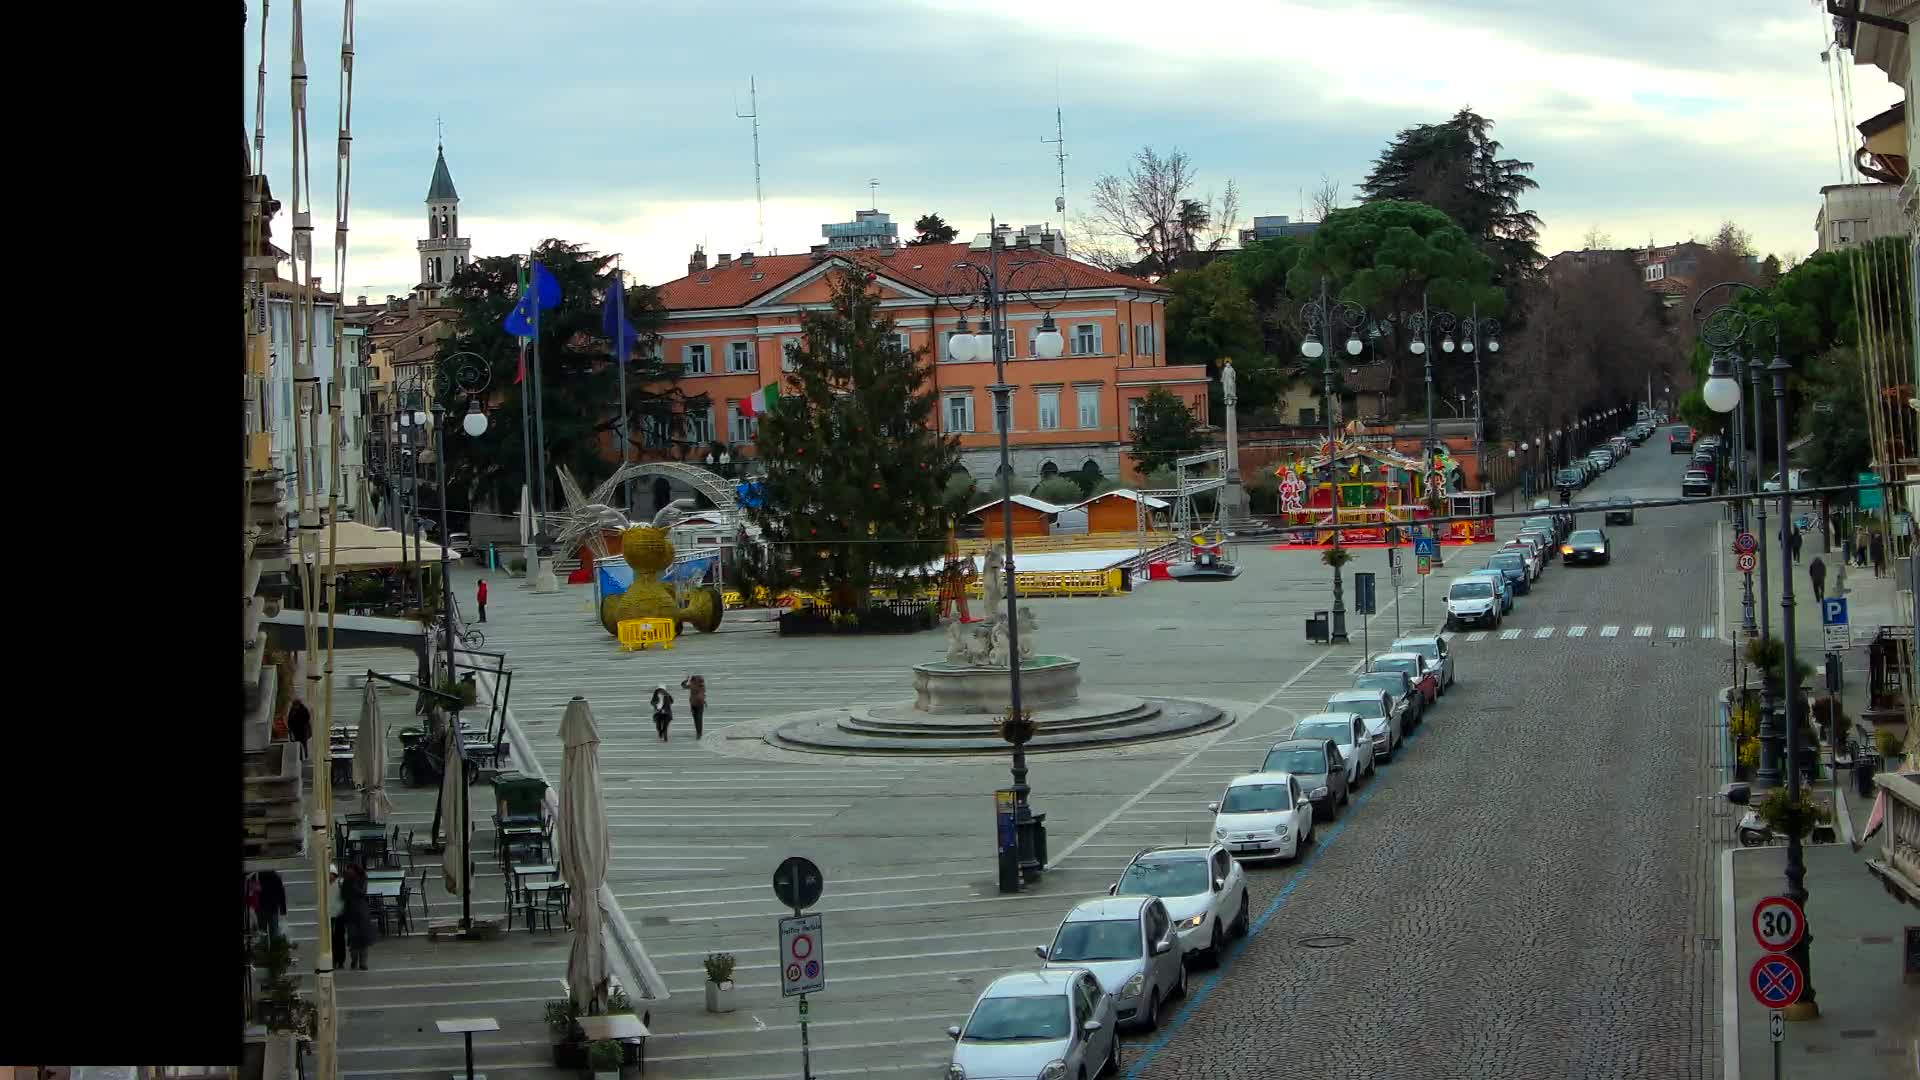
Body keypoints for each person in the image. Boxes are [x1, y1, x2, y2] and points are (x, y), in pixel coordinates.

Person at [342, 864, 375, 971]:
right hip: (351, 912)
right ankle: (354, 960)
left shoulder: (362, 879)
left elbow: (362, 892)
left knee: (363, 938)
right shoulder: (346, 881)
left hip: (361, 911)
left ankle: (363, 962)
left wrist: (353, 883)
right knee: (353, 938)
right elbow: (344, 895)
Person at [681, 673, 707, 739]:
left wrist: (687, 680)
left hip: (696, 704)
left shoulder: (694, 685)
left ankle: (699, 733)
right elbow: (684, 686)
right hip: (697, 704)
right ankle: (699, 733)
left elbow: (683, 686)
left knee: (697, 719)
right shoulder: (700, 685)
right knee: (698, 718)